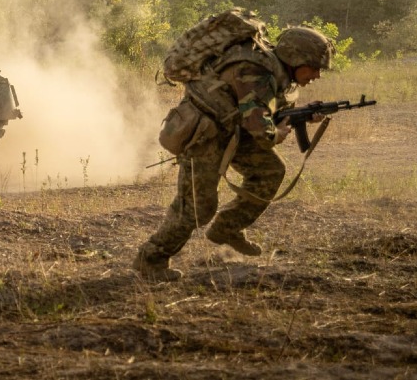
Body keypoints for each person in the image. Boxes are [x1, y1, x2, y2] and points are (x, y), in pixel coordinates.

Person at [133, 25, 334, 281]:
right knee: (197, 207)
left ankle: (227, 227)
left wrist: (300, 116)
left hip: (232, 132)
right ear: (295, 59)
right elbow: (261, 130)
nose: (317, 75)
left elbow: (265, 110)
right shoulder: (256, 71)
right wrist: (278, 133)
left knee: (270, 171)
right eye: (314, 67)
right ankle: (151, 258)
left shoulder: (277, 73)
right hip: (205, 135)